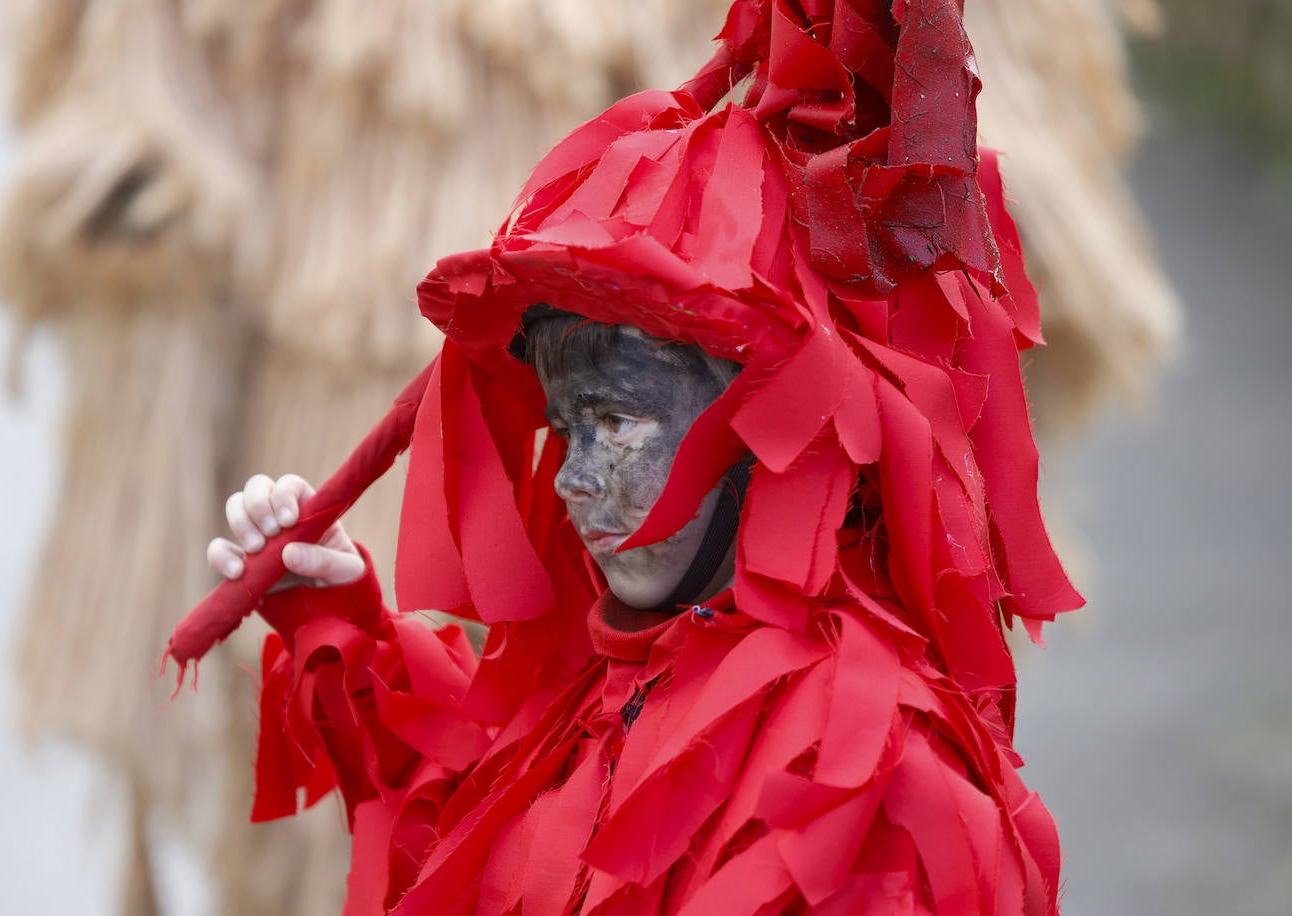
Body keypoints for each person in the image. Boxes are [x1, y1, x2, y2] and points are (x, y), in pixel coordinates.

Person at [178, 0, 1083, 911]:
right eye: (567, 429)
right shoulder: (614, 686)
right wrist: (337, 623)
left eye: (616, 422)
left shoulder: (866, 769)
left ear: (767, 432)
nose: (572, 479)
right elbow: (480, 849)